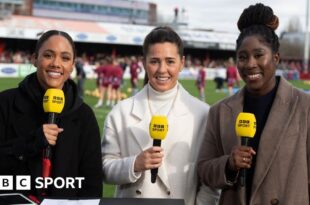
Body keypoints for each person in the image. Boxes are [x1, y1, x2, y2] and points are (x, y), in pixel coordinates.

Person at [197, 3, 310, 205]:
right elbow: (204, 169)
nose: (250, 64)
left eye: (259, 55)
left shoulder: (304, 106)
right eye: (242, 57)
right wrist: (228, 164)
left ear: (276, 58)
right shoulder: (220, 112)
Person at [102, 26, 219, 205]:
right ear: (143, 62)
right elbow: (104, 168)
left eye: (170, 61)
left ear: (182, 63)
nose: (162, 69)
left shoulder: (202, 113)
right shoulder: (120, 112)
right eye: (155, 61)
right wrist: (134, 164)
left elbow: (210, 181)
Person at [0, 30, 103, 199]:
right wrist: (30, 143)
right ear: (34, 59)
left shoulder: (84, 115)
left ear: (72, 65)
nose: (56, 63)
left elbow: (91, 184)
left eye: (65, 58)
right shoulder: (5, 103)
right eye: (48, 55)